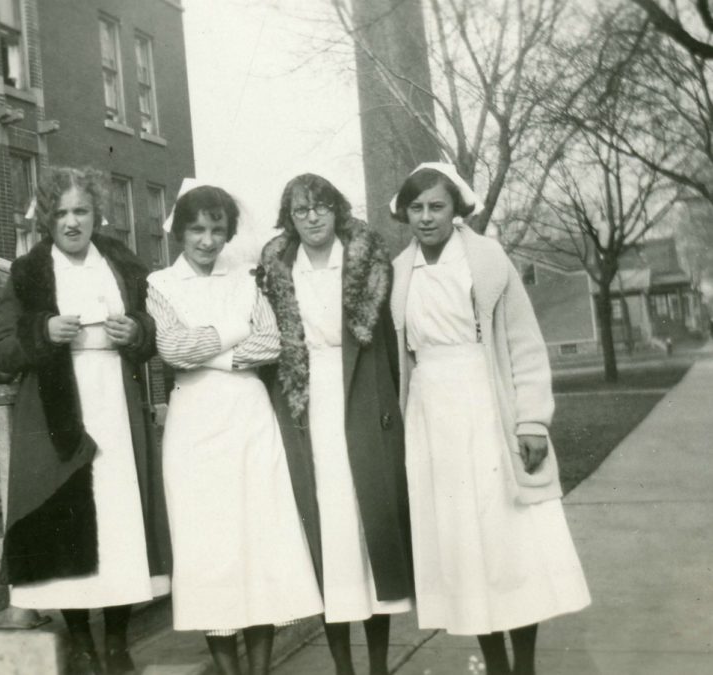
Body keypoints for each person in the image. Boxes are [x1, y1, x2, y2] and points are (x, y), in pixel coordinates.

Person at [388, 162, 591, 675]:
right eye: (417, 208)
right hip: (431, 417)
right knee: (463, 546)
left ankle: (524, 665)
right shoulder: (399, 271)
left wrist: (532, 421)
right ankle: (495, 664)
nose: (426, 217)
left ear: (456, 209)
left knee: (507, 541)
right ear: (405, 213)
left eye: (437, 206)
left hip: (486, 406)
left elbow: (524, 342)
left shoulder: (486, 260)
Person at [0, 167, 170, 675]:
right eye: (61, 213)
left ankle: (116, 641)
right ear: (47, 219)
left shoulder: (122, 264)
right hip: (57, 412)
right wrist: (43, 331)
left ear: (96, 215)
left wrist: (136, 331)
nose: (71, 222)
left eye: (81, 211)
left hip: (115, 404)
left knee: (118, 522)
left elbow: (156, 328)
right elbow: (1, 350)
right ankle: (82, 642)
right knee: (66, 522)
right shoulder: (29, 271)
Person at [146, 183, 323, 675]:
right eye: (197, 230)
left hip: (249, 420)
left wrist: (205, 349)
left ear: (228, 232)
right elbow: (172, 349)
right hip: (194, 425)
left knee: (257, 544)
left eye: (217, 230)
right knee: (210, 551)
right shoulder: (160, 284)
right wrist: (234, 333)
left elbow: (272, 343)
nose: (207, 241)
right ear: (180, 232)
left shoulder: (247, 278)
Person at [258, 174, 413, 675]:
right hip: (305, 404)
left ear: (337, 209)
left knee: (369, 532)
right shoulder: (277, 269)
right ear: (289, 218)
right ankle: (343, 666)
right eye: (301, 210)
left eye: (321, 207)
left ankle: (378, 665)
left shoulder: (366, 261)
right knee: (326, 532)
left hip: (361, 397)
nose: (312, 218)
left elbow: (388, 345)